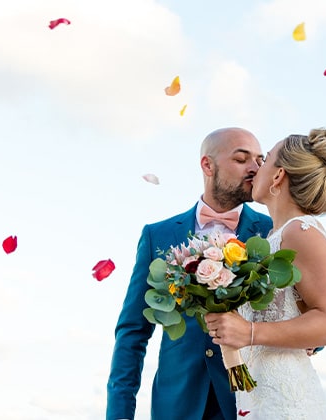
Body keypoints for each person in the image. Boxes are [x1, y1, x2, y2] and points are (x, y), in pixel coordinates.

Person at [106, 127, 272, 420]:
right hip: (177, 405)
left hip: (253, 401)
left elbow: (308, 310)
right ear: (208, 165)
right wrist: (120, 413)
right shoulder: (158, 235)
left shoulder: (272, 232)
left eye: (260, 159)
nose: (255, 168)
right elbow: (133, 331)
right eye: (241, 158)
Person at [204, 127, 326, 419]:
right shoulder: (275, 239)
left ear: (278, 176)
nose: (256, 168)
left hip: (287, 404)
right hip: (258, 400)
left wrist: (249, 332)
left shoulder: (301, 231)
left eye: (266, 161)